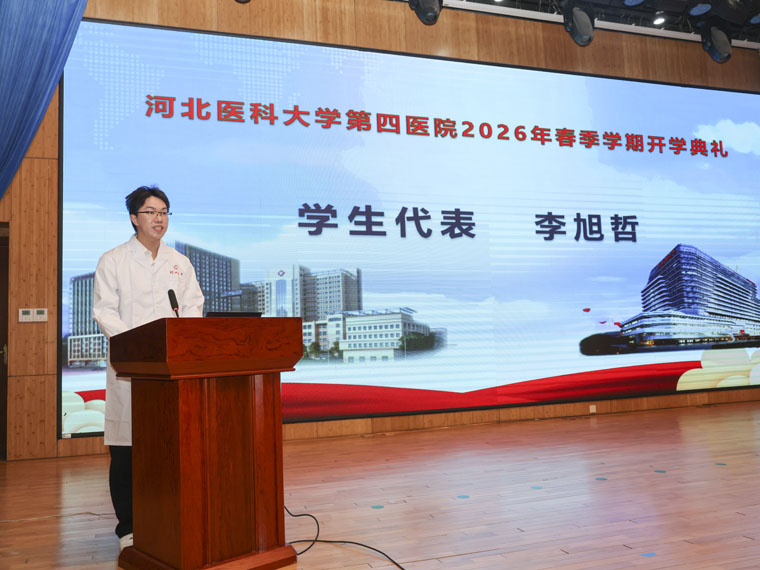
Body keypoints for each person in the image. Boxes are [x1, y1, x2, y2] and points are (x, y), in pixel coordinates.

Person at [93, 186, 204, 552]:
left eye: (164, 212)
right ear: (133, 218)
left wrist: (183, 343)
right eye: (151, 212)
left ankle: (167, 519)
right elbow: (104, 311)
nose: (159, 218)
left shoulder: (179, 262)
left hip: (172, 370)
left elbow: (193, 307)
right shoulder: (114, 260)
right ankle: (128, 528)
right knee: (127, 454)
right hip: (132, 370)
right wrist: (139, 346)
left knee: (168, 451)